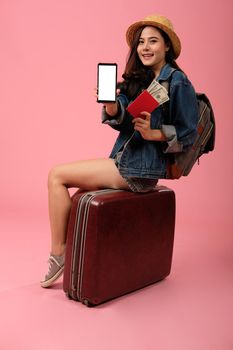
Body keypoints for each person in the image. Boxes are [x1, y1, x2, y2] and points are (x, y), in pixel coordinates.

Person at [40, 14, 198, 288]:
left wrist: (156, 133)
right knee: (79, 197)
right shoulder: (143, 79)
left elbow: (189, 132)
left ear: (167, 47)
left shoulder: (177, 82)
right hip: (126, 162)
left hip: (139, 170)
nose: (145, 47)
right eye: (141, 42)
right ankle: (75, 255)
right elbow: (125, 118)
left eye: (153, 41)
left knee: (56, 175)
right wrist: (113, 106)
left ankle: (59, 254)